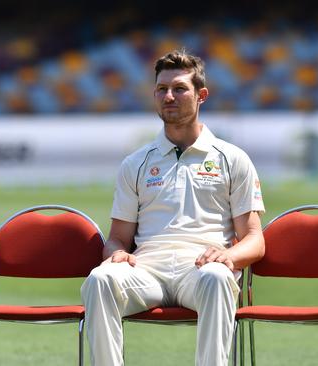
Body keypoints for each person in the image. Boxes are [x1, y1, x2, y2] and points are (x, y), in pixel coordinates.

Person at [80, 49, 266, 366]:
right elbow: (118, 238)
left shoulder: (231, 158)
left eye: (179, 88)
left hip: (200, 270)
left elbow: (254, 239)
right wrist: (115, 254)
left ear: (201, 95)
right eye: (162, 90)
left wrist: (229, 256)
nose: (169, 96)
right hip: (146, 271)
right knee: (100, 280)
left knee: (219, 277)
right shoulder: (135, 163)